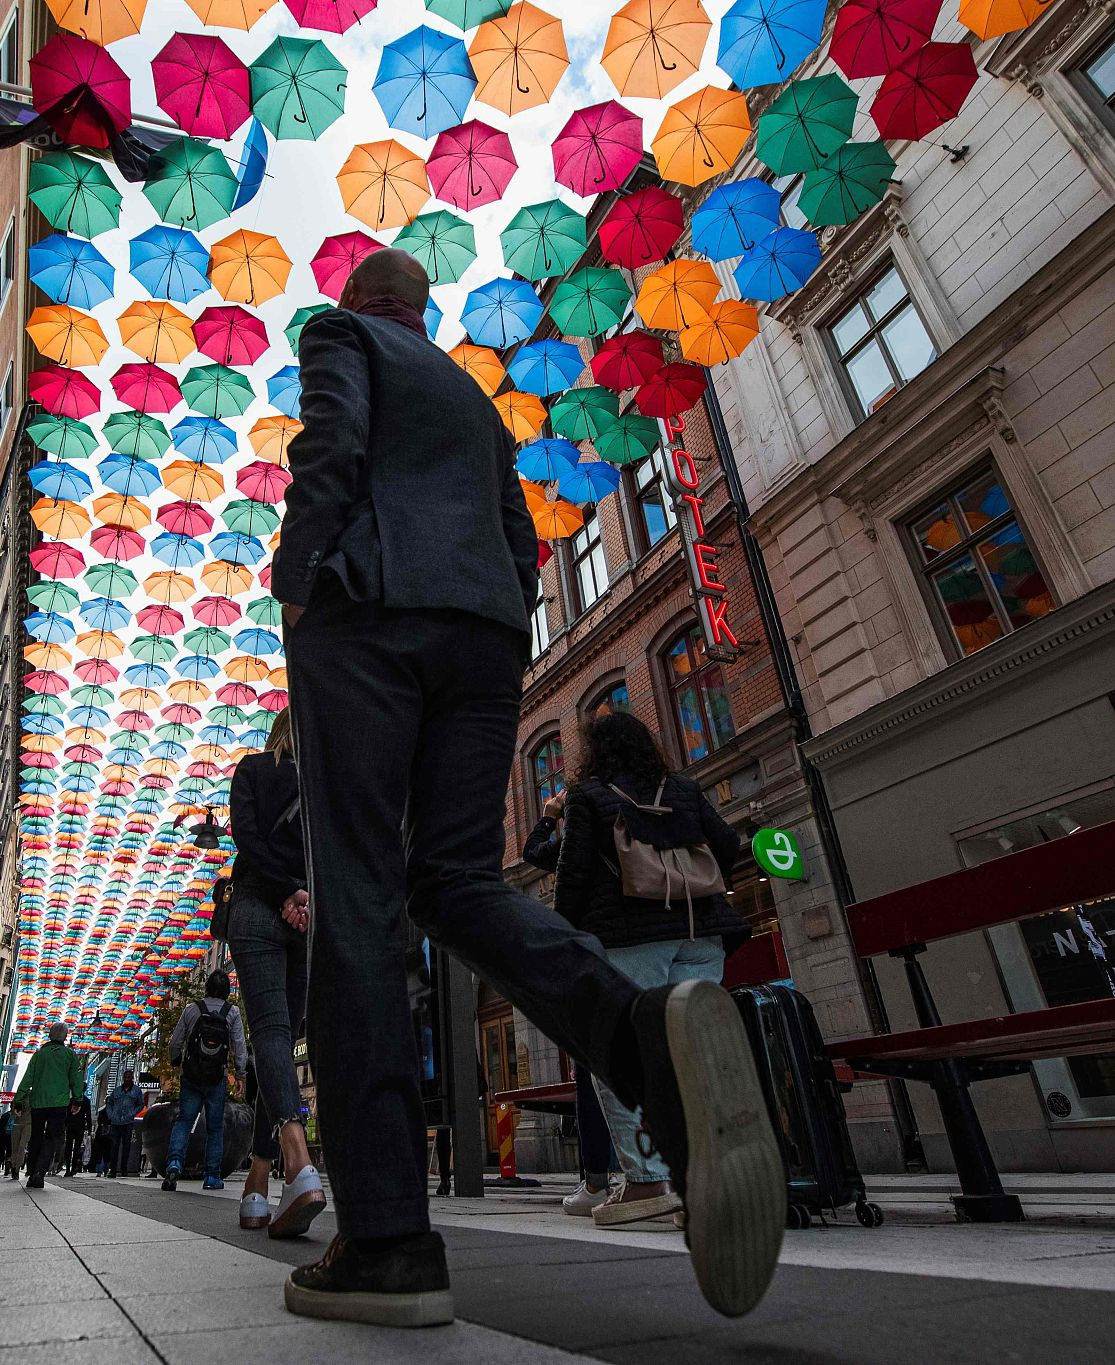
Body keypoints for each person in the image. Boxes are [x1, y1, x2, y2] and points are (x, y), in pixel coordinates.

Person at [272, 248, 784, 1327]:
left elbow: (330, 447)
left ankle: (386, 1242)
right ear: (425, 308)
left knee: (357, 894)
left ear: (361, 303)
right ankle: (641, 1034)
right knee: (455, 880)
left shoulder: (337, 338)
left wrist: (297, 583)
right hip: (488, 638)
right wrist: (499, 617)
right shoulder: (474, 398)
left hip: (367, 616)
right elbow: (519, 532)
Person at [554, 711, 750, 1227]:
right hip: (700, 933)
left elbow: (572, 871)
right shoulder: (681, 788)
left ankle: (646, 1180)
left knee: (619, 1054)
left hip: (628, 939)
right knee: (692, 1052)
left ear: (594, 750)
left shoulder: (589, 795)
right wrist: (695, 890)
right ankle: (705, 1171)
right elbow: (728, 846)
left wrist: (564, 936)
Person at [228, 714, 326, 1237]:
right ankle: (263, 1177)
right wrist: (301, 895)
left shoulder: (252, 771)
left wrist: (282, 890)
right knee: (281, 1037)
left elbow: (247, 838)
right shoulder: (325, 782)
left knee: (270, 1032)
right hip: (306, 914)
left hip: (258, 908)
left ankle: (288, 1164)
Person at [519, 792, 616, 1219]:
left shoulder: (588, 811)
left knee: (593, 1066)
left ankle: (598, 1179)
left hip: (608, 944)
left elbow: (539, 856)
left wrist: (549, 816)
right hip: (681, 937)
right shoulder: (666, 797)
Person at [165, 970, 247, 1191]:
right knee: (215, 1127)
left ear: (207, 987)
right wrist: (240, 1074)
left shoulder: (192, 1009)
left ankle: (174, 1162)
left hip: (191, 1076)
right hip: (216, 1078)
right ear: (227, 991)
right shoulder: (232, 1012)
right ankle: (212, 1176)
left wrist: (176, 1061)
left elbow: (175, 1042)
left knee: (183, 1120)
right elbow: (240, 1047)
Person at [14, 1021, 85, 1188]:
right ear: (65, 1036)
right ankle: (40, 1171)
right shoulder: (69, 1055)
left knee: (36, 1137)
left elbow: (27, 1078)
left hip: (38, 1102)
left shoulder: (39, 1055)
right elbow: (76, 1079)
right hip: (59, 1103)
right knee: (52, 1137)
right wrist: (77, 1099)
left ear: (50, 1035)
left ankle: (32, 1172)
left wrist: (18, 1100)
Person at [104, 1075, 144, 1177]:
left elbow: (140, 1104)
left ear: (132, 1079)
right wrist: (111, 1115)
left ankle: (123, 1169)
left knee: (127, 1146)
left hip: (128, 1121)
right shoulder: (117, 1091)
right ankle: (113, 1170)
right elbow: (109, 1102)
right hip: (116, 1121)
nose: (127, 1079)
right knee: (114, 1146)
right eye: (126, 1077)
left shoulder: (136, 1091)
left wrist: (132, 1113)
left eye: (129, 1077)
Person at [63, 1098, 91, 1176]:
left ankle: (68, 1168)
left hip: (70, 1125)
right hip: (80, 1126)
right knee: (77, 1148)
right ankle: (74, 1168)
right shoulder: (86, 1100)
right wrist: (89, 1128)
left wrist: (65, 1125)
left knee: (68, 1147)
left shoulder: (71, 1100)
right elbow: (88, 1115)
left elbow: (67, 1113)